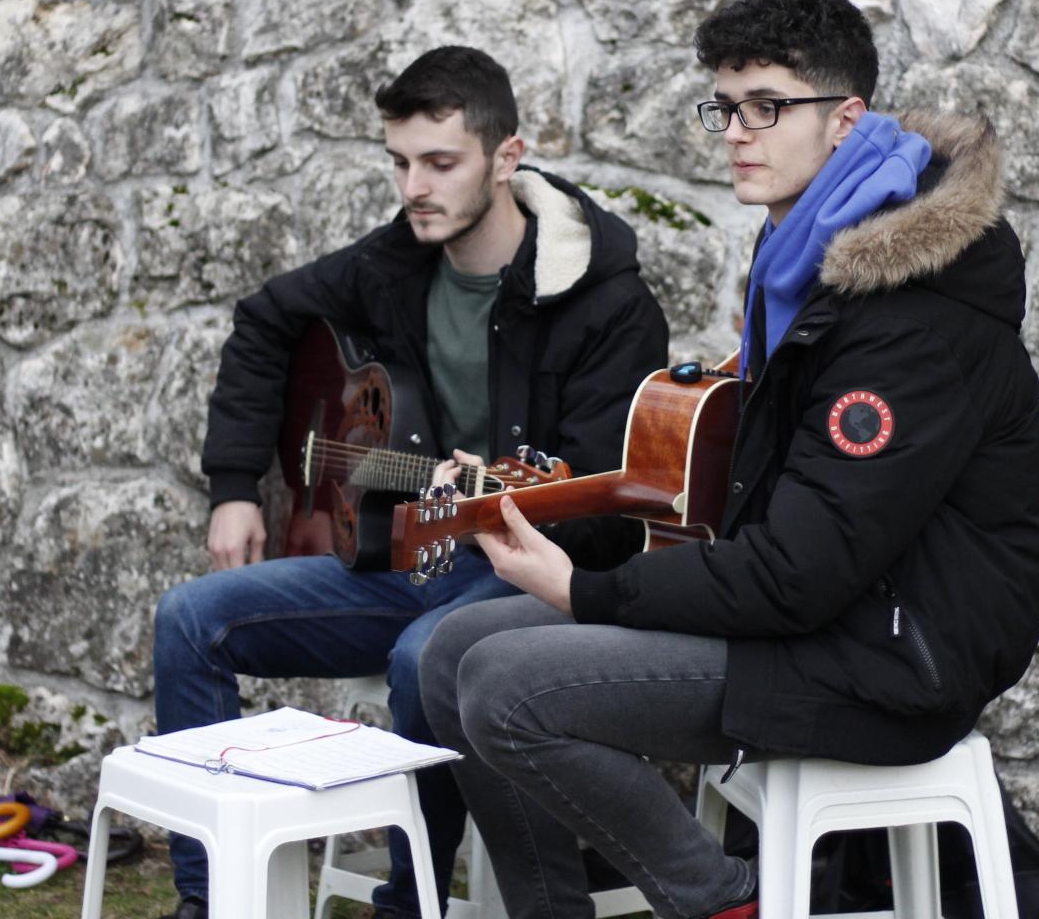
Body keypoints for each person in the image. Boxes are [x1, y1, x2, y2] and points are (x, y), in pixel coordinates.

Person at [418, 0, 1039, 919]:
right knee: (450, 649)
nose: (737, 132)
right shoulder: (809, 260)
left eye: (768, 107)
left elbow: (803, 569)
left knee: (510, 687)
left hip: (890, 655)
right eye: (727, 106)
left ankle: (723, 901)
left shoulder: (910, 317)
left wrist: (584, 593)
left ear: (845, 120)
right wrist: (574, 539)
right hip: (817, 619)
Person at [151, 45, 670, 919]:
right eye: (400, 163)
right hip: (394, 562)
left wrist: (500, 511)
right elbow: (265, 321)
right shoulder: (391, 266)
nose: (415, 187)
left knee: (424, 656)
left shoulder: (606, 304)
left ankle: (410, 904)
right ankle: (215, 902)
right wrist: (237, 483)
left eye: (440, 162)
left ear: (506, 158)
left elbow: (609, 506)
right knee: (189, 621)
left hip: (518, 581)